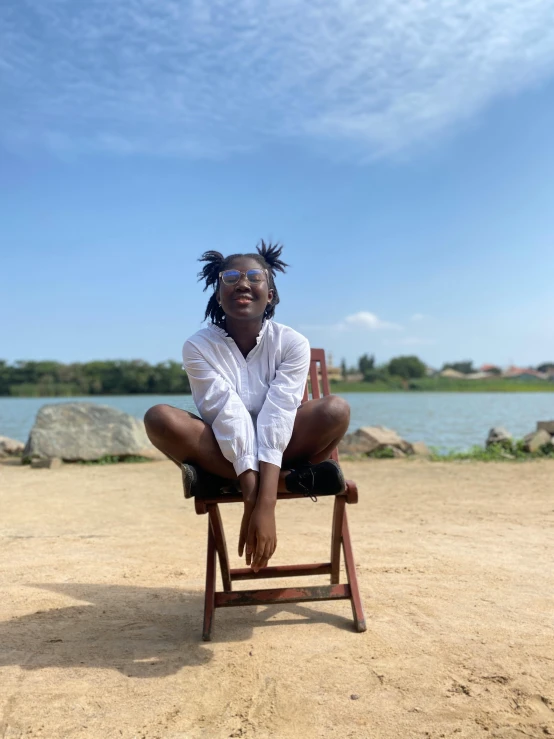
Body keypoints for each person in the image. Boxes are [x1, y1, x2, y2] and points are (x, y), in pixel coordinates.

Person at [144, 241, 350, 573]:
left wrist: (264, 504)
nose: (242, 283)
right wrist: (257, 497)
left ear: (270, 295)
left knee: (335, 410)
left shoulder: (291, 343)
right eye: (230, 277)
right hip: (225, 452)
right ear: (218, 295)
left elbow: (279, 413)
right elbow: (228, 413)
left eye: (254, 276)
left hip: (282, 447)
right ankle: (291, 481)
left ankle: (255, 480)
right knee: (159, 418)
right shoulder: (198, 346)